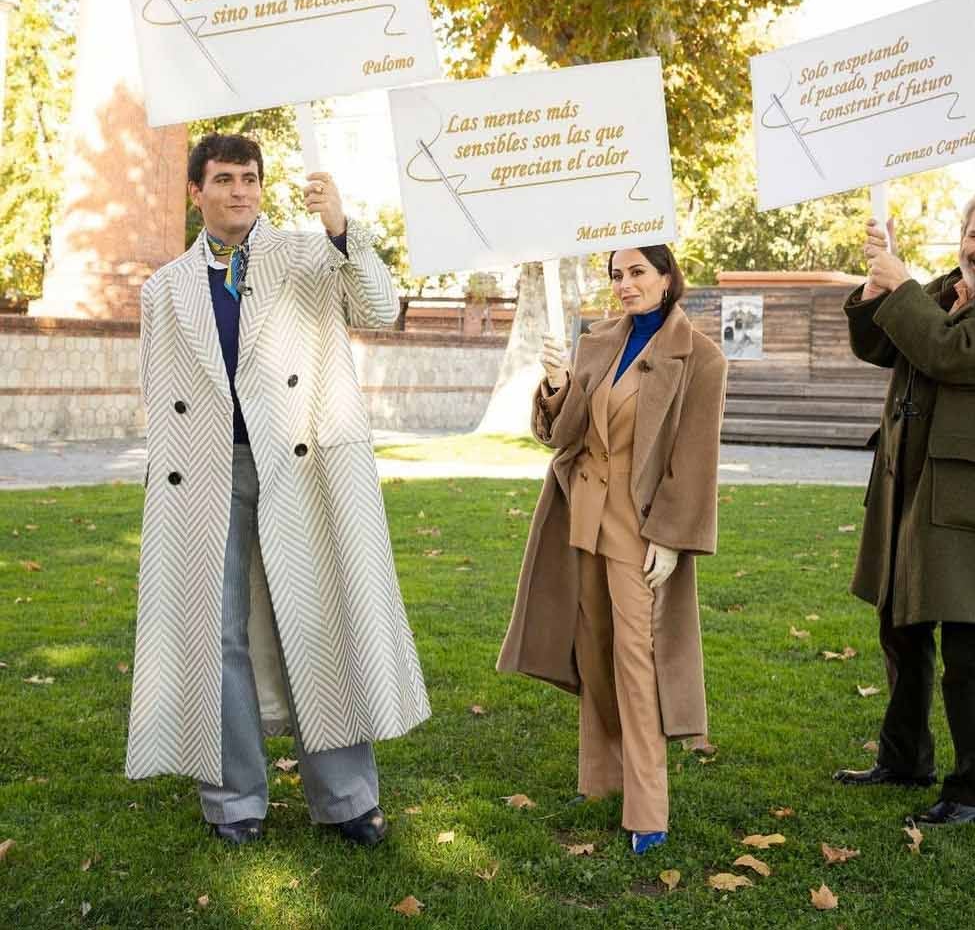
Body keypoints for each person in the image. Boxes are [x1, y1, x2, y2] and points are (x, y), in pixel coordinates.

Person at [127, 132, 430, 845]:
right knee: (215, 632)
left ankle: (347, 798)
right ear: (195, 191)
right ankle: (234, 800)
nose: (241, 191)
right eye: (226, 179)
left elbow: (380, 309)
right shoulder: (164, 287)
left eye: (251, 178)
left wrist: (342, 228)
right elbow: (159, 389)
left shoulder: (305, 253)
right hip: (205, 472)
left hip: (305, 463)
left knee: (318, 616)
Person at [833, 185, 975, 826]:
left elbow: (945, 353)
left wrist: (902, 285)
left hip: (968, 489)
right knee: (900, 623)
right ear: (962, 235)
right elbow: (877, 345)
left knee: (969, 634)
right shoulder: (944, 289)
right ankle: (905, 759)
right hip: (910, 477)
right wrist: (880, 283)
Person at [497, 246, 727, 853]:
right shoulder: (596, 341)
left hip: (640, 529)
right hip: (580, 516)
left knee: (636, 658)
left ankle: (648, 807)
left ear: (668, 277)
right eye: (617, 275)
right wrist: (554, 386)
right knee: (593, 648)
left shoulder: (701, 358)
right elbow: (560, 435)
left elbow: (696, 459)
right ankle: (600, 778)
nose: (625, 285)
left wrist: (674, 541)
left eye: (638, 273)